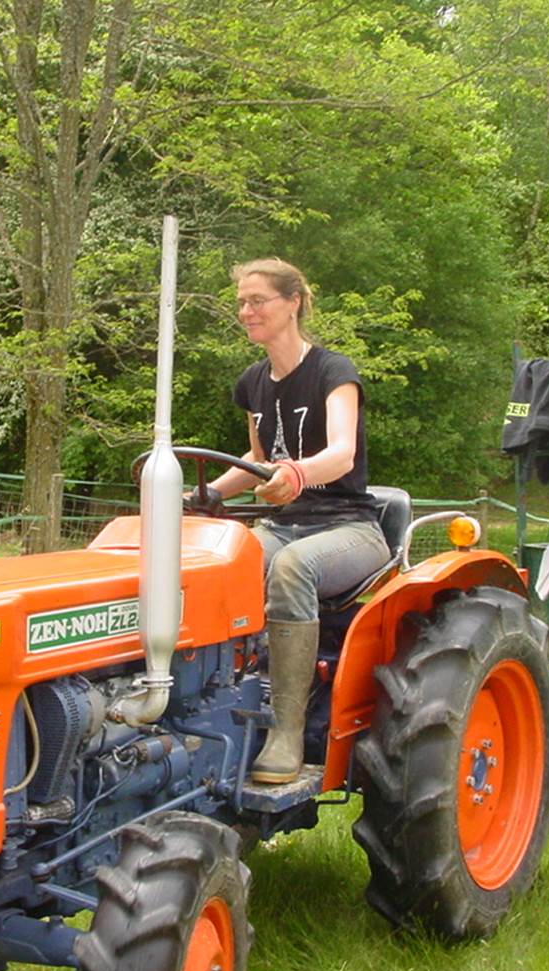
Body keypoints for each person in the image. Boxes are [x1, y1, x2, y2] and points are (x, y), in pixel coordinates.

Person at [202, 259, 389, 784]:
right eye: (241, 301)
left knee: (291, 568)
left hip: (347, 527)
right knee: (216, 562)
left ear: (294, 303)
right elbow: (259, 460)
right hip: (286, 523)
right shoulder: (253, 383)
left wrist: (297, 474)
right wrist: (208, 493)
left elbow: (342, 453)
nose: (246, 311)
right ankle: (211, 704)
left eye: (257, 300)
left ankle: (287, 729)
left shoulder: (334, 372)